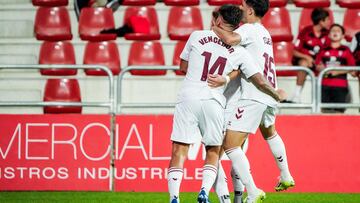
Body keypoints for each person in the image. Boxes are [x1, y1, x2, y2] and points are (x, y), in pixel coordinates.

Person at [168, 4, 285, 203]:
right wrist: (275, 94)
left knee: (180, 150)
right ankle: (207, 193)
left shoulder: (197, 36)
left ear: (219, 20)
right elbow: (258, 79)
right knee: (215, 151)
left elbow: (182, 67)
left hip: (189, 98)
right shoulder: (240, 51)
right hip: (217, 101)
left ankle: (175, 198)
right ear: (237, 23)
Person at [211, 0, 295, 202]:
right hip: (269, 92)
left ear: (249, 9)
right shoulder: (264, 32)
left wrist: (214, 27)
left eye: (242, 5)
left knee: (230, 145)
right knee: (270, 132)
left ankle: (253, 191)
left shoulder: (248, 28)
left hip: (253, 94)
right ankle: (286, 175)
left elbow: (231, 39)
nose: (240, 9)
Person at [290, 8, 331, 103]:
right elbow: (295, 51)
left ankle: (323, 101)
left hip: (318, 63)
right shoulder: (306, 31)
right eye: (328, 19)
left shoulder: (327, 34)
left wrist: (319, 62)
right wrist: (307, 57)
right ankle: (297, 94)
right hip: (303, 61)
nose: (329, 22)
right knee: (304, 63)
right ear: (321, 21)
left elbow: (327, 52)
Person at [315, 24, 356, 113]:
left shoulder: (346, 50)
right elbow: (317, 65)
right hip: (324, 85)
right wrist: (321, 68)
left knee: (339, 113)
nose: (335, 33)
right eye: (333, 31)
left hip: (340, 86)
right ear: (329, 35)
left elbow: (352, 68)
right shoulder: (323, 50)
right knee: (325, 112)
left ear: (342, 36)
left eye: (338, 31)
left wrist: (337, 71)